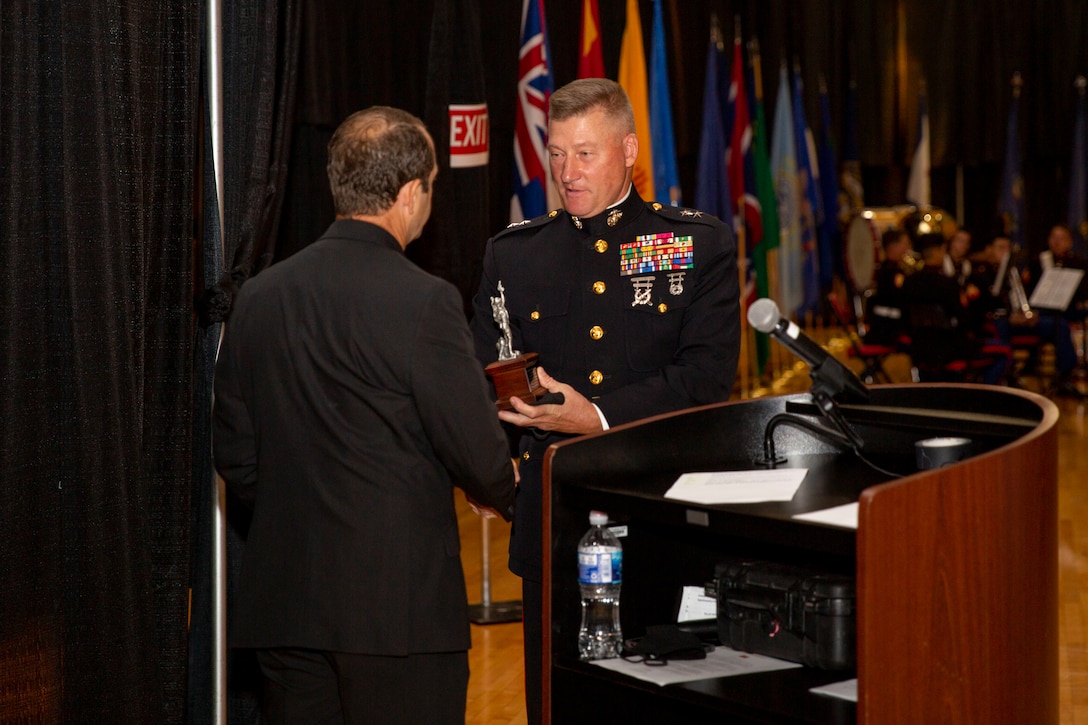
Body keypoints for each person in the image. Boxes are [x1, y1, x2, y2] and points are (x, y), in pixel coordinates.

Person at [212, 106, 517, 724]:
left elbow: (235, 454)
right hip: (397, 616)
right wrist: (499, 489)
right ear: (410, 195)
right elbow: (480, 455)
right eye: (431, 185)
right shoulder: (426, 302)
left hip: (288, 607)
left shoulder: (259, 296)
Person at [469, 78, 741, 724]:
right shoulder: (514, 255)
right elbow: (485, 372)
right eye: (556, 154)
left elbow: (705, 378)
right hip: (552, 523)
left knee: (659, 698)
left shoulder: (695, 244)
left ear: (629, 150)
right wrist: (491, 452)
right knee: (555, 701)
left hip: (658, 518)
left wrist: (592, 417)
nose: (566, 172)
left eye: (585, 153)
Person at [902, 232, 1008, 384]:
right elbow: (964, 320)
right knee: (1004, 352)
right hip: (949, 350)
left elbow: (906, 316)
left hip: (919, 349)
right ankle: (985, 397)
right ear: (938, 251)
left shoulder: (909, 282)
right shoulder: (948, 284)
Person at [864, 228, 914, 346]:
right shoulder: (886, 272)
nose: (908, 249)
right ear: (892, 246)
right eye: (905, 244)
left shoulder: (898, 269)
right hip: (887, 329)